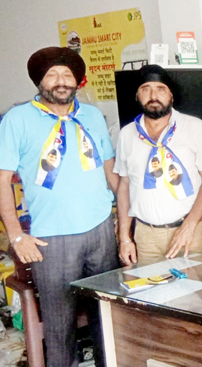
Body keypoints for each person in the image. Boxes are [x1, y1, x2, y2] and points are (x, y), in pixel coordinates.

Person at [0, 47, 118, 366]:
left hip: (102, 232)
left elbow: (110, 170)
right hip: (53, 239)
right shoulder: (17, 119)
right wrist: (16, 236)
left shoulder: (91, 115)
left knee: (106, 320)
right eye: (52, 74)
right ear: (40, 81)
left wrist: (126, 218)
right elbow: (2, 180)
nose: (61, 81)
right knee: (59, 326)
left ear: (77, 81)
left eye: (67, 74)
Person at [115, 65, 202, 265]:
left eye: (160, 89)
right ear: (137, 95)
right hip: (146, 236)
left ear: (171, 95)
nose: (153, 95)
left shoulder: (193, 127)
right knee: (150, 293)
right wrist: (125, 238)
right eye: (146, 89)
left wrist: (189, 227)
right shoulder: (127, 134)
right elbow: (124, 186)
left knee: (194, 293)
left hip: (189, 230)